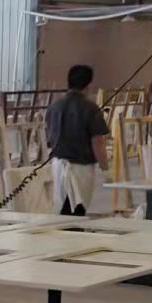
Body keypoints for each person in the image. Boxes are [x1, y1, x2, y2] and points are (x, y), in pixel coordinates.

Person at [45, 64, 110, 216]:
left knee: (63, 208)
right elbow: (98, 141)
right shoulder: (90, 108)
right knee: (78, 209)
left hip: (57, 165)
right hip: (81, 168)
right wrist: (105, 168)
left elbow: (49, 137)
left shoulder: (54, 107)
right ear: (88, 85)